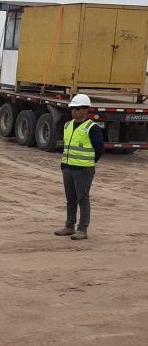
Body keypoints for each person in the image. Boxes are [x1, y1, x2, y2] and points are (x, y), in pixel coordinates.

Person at [54, 94, 103, 240]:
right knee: (70, 199)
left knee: (83, 199)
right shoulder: (67, 125)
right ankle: (69, 226)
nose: (73, 111)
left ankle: (82, 229)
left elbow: (99, 150)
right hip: (68, 168)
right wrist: (65, 165)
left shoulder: (92, 128)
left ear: (86, 110)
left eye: (77, 108)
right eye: (72, 108)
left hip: (83, 170)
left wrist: (87, 163)